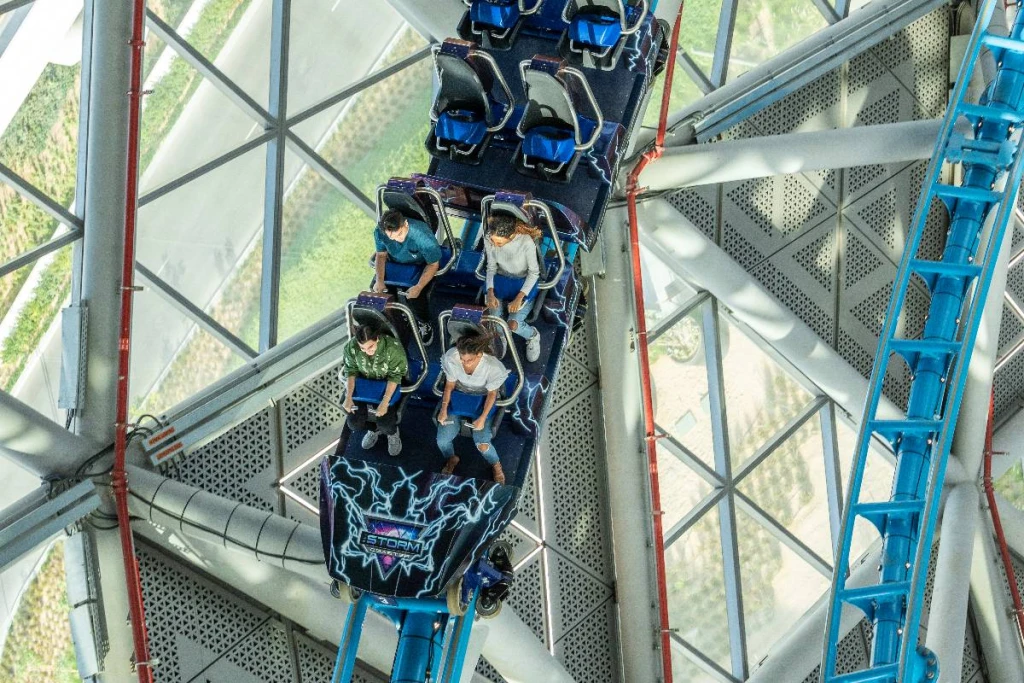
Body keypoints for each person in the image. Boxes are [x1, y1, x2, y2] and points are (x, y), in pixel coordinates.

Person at [436, 330, 510, 484]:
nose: (464, 363)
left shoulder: (493, 367)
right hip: (460, 395)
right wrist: (443, 409)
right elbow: (449, 385)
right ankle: (451, 458)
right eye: (462, 359)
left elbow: (492, 394)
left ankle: (496, 464)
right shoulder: (452, 357)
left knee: (482, 444)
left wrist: (482, 418)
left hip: (482, 398)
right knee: (442, 440)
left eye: (469, 360)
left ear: (479, 355)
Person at [373, 208, 441, 344]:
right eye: (392, 238)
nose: (397, 240)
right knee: (381, 292)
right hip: (395, 263)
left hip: (420, 264)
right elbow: (381, 255)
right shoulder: (380, 233)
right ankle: (396, 318)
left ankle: (423, 322)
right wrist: (379, 281)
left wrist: (419, 286)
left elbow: (433, 264)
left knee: (415, 297)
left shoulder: (422, 235)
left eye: (400, 235)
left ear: (406, 224)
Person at [340, 322, 408, 456]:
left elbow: (395, 377)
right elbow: (350, 371)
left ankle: (392, 433)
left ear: (377, 338)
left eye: (370, 347)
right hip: (364, 384)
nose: (367, 352)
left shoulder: (392, 349)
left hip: (386, 385)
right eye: (363, 348)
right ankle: (373, 429)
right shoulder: (351, 347)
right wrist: (348, 396)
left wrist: (385, 402)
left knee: (385, 424)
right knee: (353, 423)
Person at [483, 213, 542, 363]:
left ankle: (533, 336)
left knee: (513, 325)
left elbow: (534, 273)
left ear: (510, 237)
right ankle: (500, 337)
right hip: (502, 281)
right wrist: (490, 292)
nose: (494, 245)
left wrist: (519, 297)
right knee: (495, 319)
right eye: (493, 241)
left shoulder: (526, 243)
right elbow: (491, 268)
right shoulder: (489, 239)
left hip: (522, 284)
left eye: (499, 243)